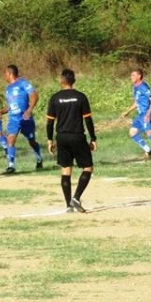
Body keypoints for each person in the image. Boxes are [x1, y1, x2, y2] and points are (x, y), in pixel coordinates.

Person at [46, 69, 97, 213]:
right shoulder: (81, 97)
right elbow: (88, 120)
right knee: (88, 168)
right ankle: (76, 198)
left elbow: (50, 123)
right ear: (73, 80)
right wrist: (93, 138)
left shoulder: (55, 98)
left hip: (61, 137)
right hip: (77, 136)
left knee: (66, 170)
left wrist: (50, 140)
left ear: (61, 81)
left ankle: (68, 205)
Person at [2, 64, 43, 174]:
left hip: (25, 118)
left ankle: (39, 158)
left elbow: (34, 95)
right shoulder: (8, 89)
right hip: (13, 119)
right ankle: (11, 165)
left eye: (5, 74)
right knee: (10, 139)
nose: (4, 76)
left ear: (10, 74)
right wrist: (0, 112)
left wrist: (29, 110)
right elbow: (10, 106)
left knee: (32, 141)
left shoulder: (23, 83)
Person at [121, 68, 151, 161]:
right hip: (140, 115)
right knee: (132, 132)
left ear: (139, 76)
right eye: (131, 75)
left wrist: (148, 114)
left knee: (149, 132)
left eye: (133, 75)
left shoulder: (143, 86)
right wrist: (127, 111)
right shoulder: (135, 87)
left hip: (146, 113)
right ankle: (149, 152)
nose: (131, 77)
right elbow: (137, 103)